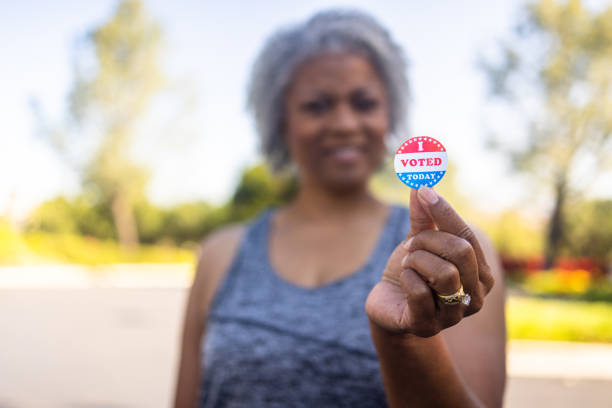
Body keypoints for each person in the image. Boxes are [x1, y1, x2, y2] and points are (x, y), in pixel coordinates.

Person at [174, 9, 506, 408]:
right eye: (317, 105)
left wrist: (403, 339)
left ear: (390, 115)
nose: (345, 123)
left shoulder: (448, 255)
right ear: (281, 122)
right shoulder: (220, 255)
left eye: (364, 103)